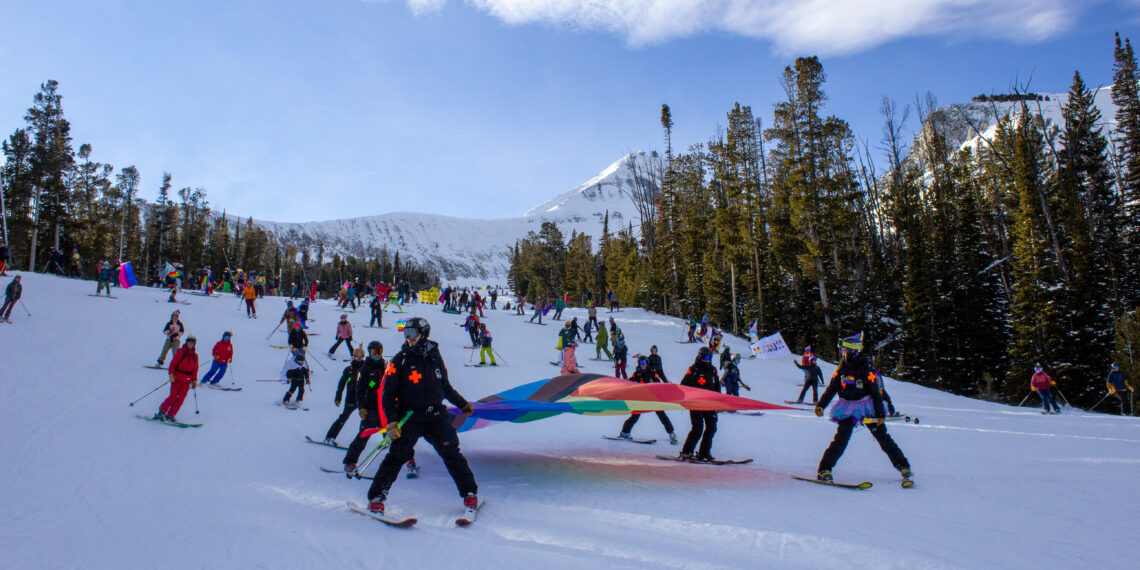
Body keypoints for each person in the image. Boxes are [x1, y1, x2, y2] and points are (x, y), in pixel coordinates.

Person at [364, 317, 479, 516]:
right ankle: (377, 497)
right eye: (405, 334)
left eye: (412, 334)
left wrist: (461, 404)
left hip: (436, 416)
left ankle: (469, 493)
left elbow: (445, 386)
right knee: (397, 456)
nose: (408, 339)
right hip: (410, 418)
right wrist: (392, 421)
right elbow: (387, 394)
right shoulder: (400, 360)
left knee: (452, 453)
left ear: (423, 334)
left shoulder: (435, 356)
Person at [814, 333, 912, 484]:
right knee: (841, 439)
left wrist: (880, 414)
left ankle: (904, 467)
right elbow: (831, 389)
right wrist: (821, 405)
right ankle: (824, 470)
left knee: (883, 438)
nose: (842, 353)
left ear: (852, 351)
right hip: (847, 408)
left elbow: (876, 392)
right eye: (842, 350)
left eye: (844, 350)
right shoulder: (841, 370)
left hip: (867, 407)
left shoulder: (865, 369)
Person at [619, 355, 677, 444]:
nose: (643, 365)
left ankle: (671, 433)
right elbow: (629, 383)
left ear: (647, 363)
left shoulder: (652, 373)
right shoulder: (636, 373)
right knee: (635, 415)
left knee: (662, 415)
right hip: (641, 398)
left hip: (653, 398)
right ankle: (625, 432)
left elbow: (658, 384)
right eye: (641, 363)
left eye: (644, 363)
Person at [679, 346, 720, 461]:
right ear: (701, 357)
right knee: (698, 428)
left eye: (710, 357)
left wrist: (719, 402)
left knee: (712, 427)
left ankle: (704, 452)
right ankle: (686, 452)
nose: (708, 359)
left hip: (710, 403)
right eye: (706, 357)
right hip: (696, 402)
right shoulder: (694, 369)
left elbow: (717, 386)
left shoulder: (713, 370)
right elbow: (684, 384)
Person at [326, 347, 366, 444]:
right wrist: (338, 397)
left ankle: (384, 436)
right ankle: (330, 437)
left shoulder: (366, 369)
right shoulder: (349, 370)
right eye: (356, 357)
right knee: (343, 417)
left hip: (364, 399)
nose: (358, 359)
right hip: (351, 399)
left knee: (371, 419)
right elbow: (341, 384)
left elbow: (373, 382)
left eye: (360, 358)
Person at [154, 335, 199, 421]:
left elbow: (195, 370)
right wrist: (171, 374)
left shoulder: (195, 356)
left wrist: (194, 381)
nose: (190, 344)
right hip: (177, 379)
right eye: (189, 342)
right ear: (186, 342)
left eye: (192, 343)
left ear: (194, 344)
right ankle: (162, 411)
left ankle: (171, 414)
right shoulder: (181, 352)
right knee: (173, 397)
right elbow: (173, 364)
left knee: (180, 400)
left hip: (186, 382)